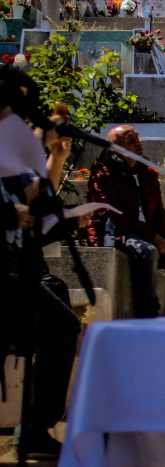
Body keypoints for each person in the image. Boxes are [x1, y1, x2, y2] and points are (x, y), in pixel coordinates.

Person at [0, 65, 81, 459]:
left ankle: (33, 430)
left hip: (20, 266)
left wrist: (56, 157)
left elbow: (33, 193)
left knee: (61, 324)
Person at [87, 125, 165, 318]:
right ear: (116, 147)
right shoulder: (104, 171)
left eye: (137, 138)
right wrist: (154, 238)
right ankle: (147, 314)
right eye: (130, 140)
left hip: (149, 234)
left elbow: (159, 210)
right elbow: (115, 215)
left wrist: (161, 236)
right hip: (117, 233)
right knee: (146, 251)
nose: (138, 143)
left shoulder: (147, 171)